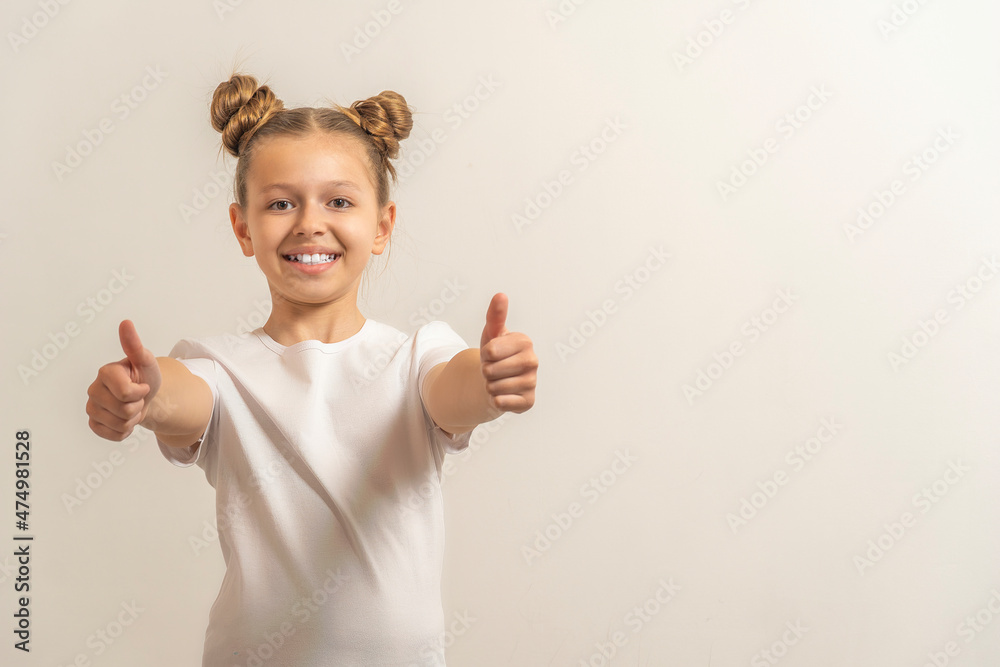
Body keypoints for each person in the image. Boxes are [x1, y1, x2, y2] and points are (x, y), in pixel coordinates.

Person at [85, 72, 538, 667]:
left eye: (339, 201)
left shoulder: (416, 358)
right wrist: (142, 395)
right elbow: (179, 395)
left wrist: (489, 380)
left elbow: (455, 390)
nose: (308, 222)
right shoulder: (219, 368)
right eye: (280, 203)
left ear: (381, 226)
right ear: (243, 228)